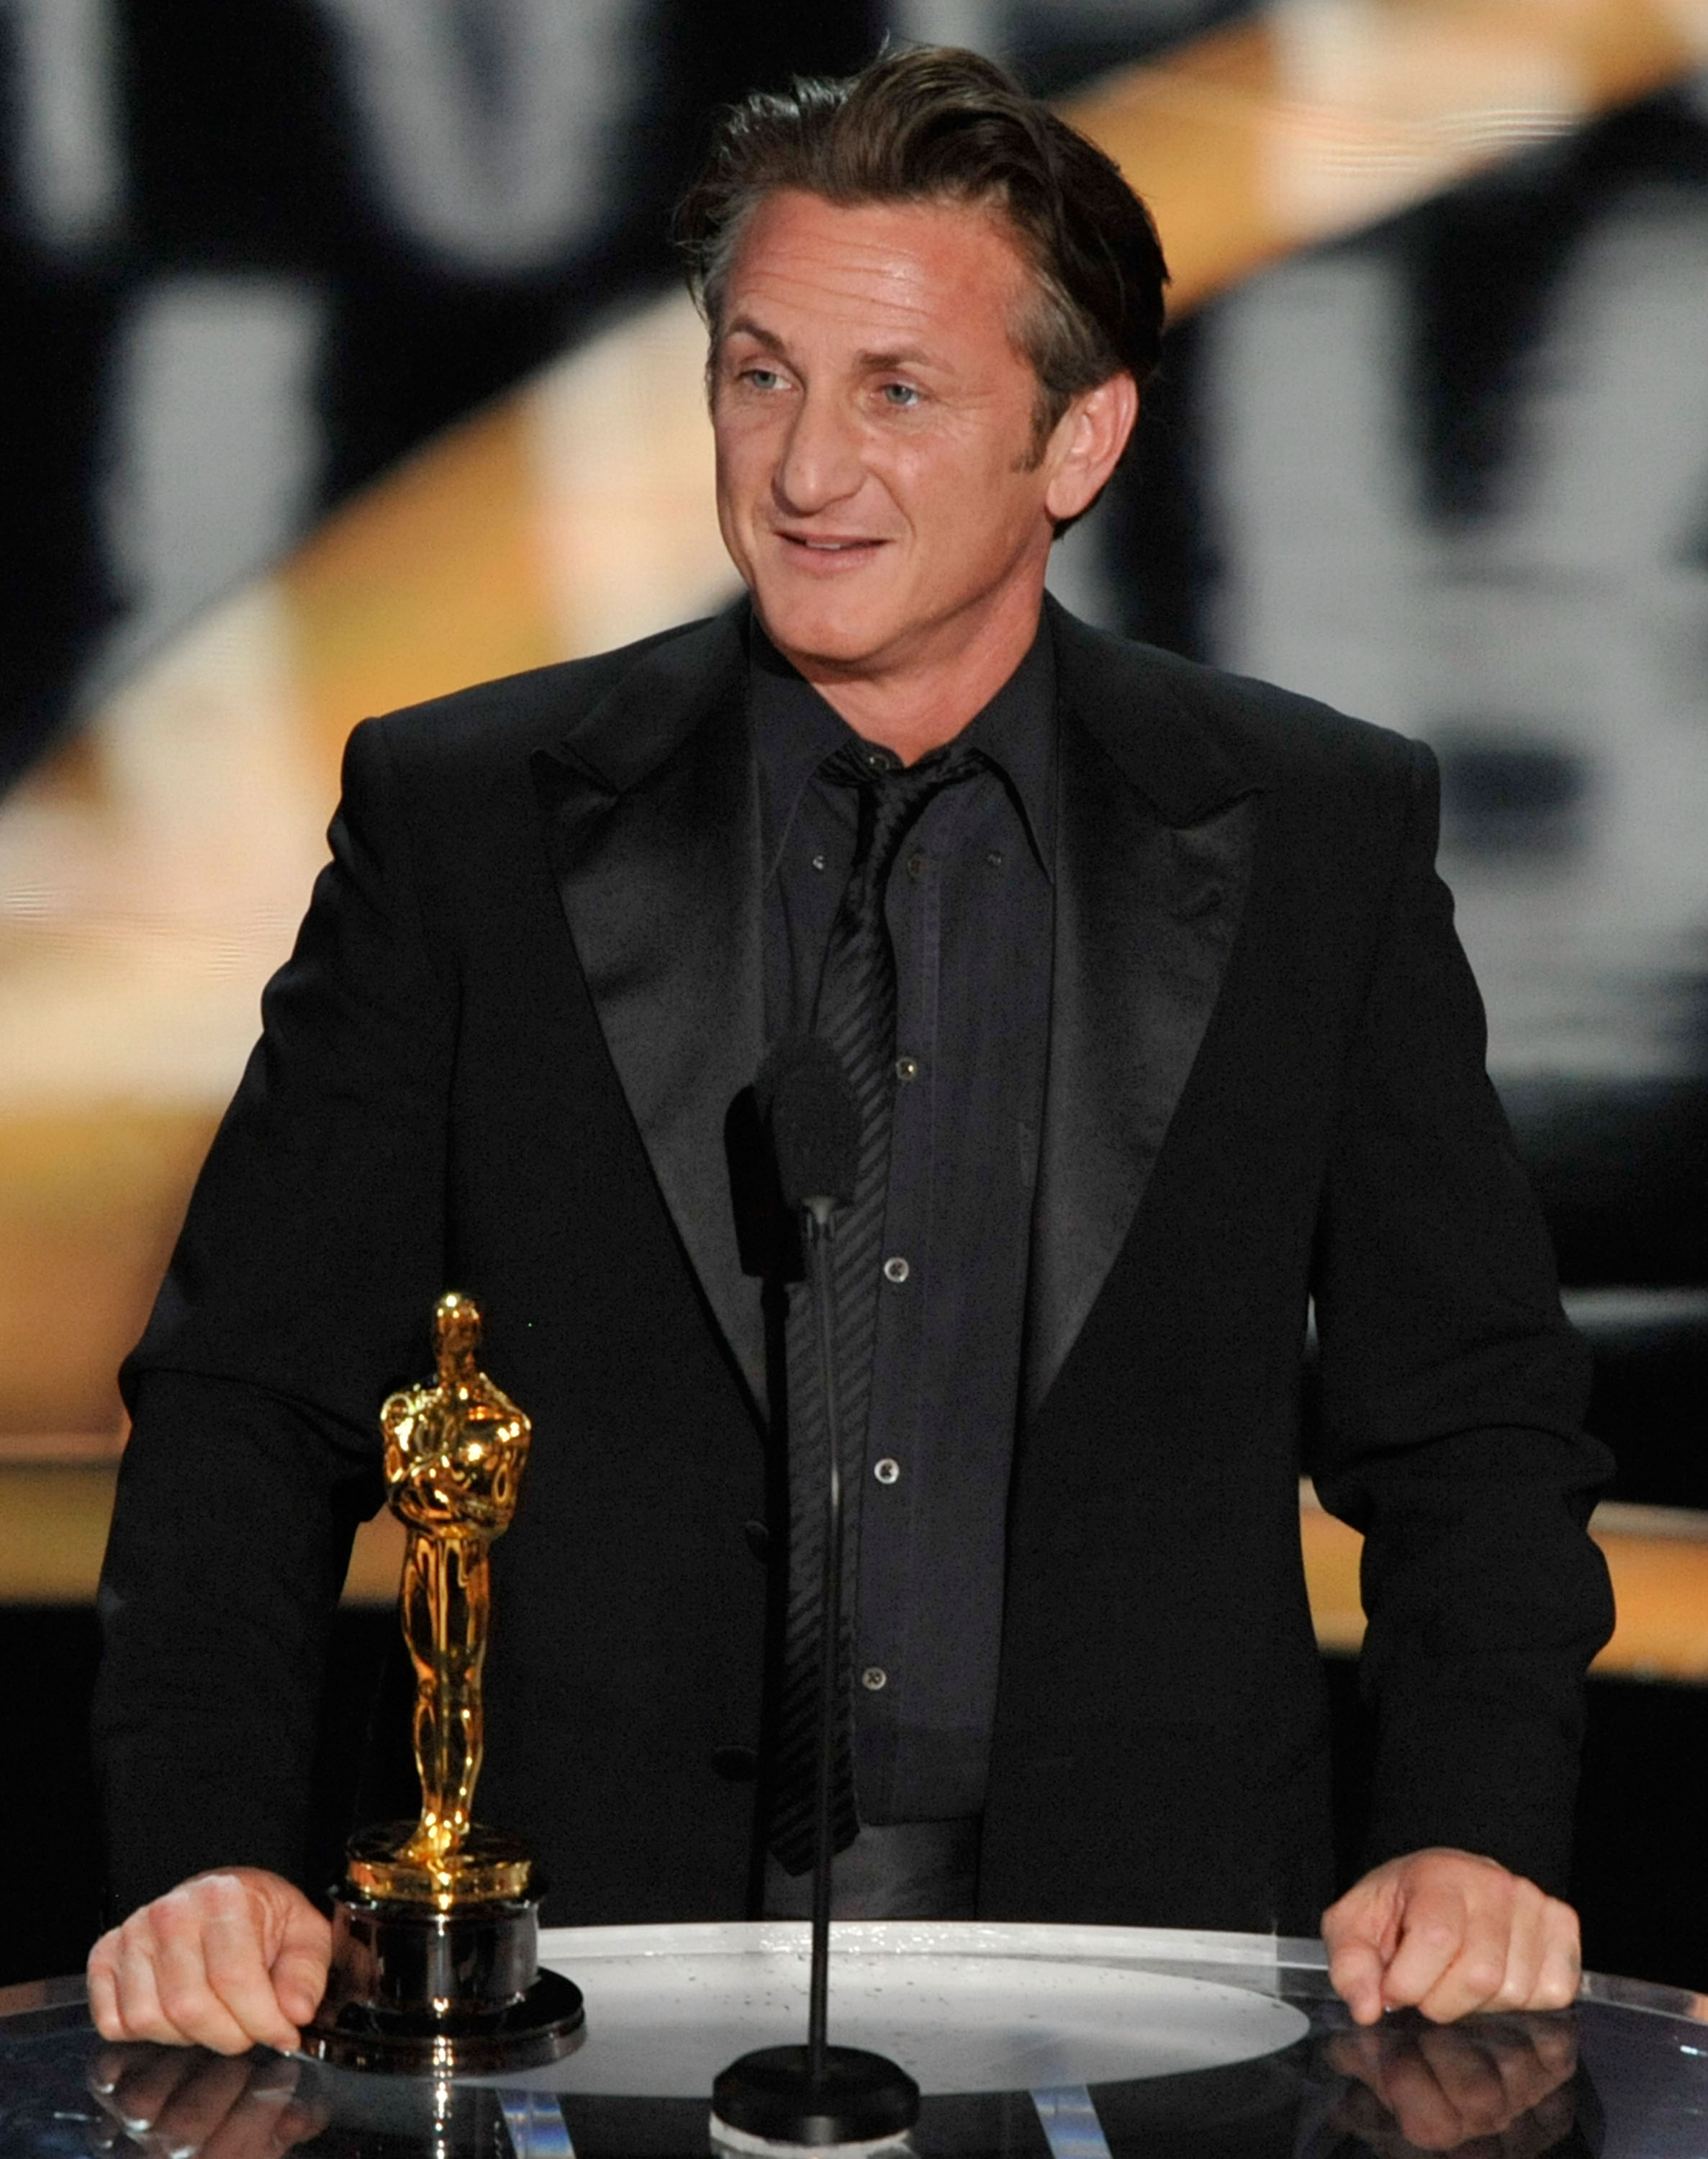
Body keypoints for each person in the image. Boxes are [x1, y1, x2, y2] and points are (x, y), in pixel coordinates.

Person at [86, 46, 1614, 2058]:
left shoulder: (1315, 835)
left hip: (1149, 1993)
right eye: (760, 375)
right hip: (581, 1989)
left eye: (898, 392)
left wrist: (1471, 1831)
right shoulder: (466, 824)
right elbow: (248, 1402)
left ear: (1078, 438)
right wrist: (202, 1855)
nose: (805, 472)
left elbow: (1472, 1423)